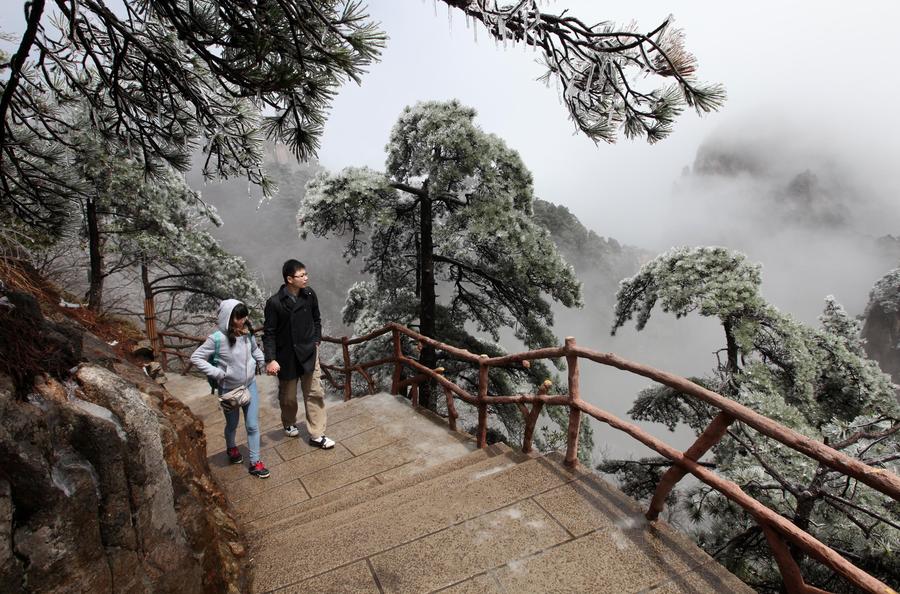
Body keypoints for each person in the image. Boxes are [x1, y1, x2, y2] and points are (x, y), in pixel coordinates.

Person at [191, 299, 270, 478]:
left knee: (252, 425)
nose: (243, 320)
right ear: (228, 318)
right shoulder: (217, 339)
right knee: (232, 424)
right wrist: (217, 373)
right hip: (229, 390)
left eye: (244, 316)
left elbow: (255, 351)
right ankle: (232, 448)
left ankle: (255, 462)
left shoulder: (247, 333)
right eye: (238, 317)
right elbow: (196, 358)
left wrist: (262, 361)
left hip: (249, 385)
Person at [263, 259, 335, 449]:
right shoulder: (275, 303)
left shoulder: (309, 294)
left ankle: (317, 434)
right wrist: (270, 359)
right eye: (301, 275)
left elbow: (316, 319)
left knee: (314, 392)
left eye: (306, 274)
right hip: (286, 356)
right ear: (289, 279)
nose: (306, 278)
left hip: (309, 352)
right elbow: (269, 333)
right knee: (288, 397)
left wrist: (316, 339)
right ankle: (288, 422)